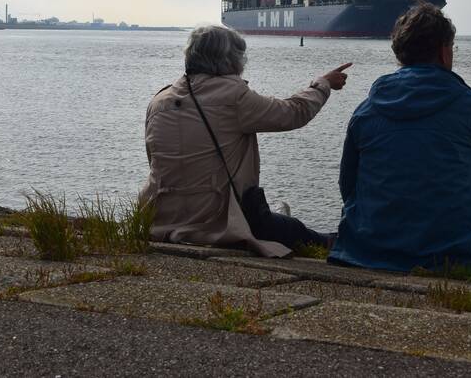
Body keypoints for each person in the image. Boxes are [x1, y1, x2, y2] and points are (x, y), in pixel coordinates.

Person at [328, 2, 471, 273]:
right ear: (444, 51)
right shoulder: (467, 104)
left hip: (367, 250)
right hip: (455, 253)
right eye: (452, 48)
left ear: (401, 54)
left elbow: (348, 185)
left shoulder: (366, 110)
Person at [139, 25, 351, 257]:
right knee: (297, 231)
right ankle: (337, 244)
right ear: (230, 59)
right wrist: (323, 84)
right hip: (216, 220)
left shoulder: (159, 101)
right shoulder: (233, 97)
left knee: (280, 221)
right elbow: (293, 113)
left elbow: (154, 160)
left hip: (159, 219)